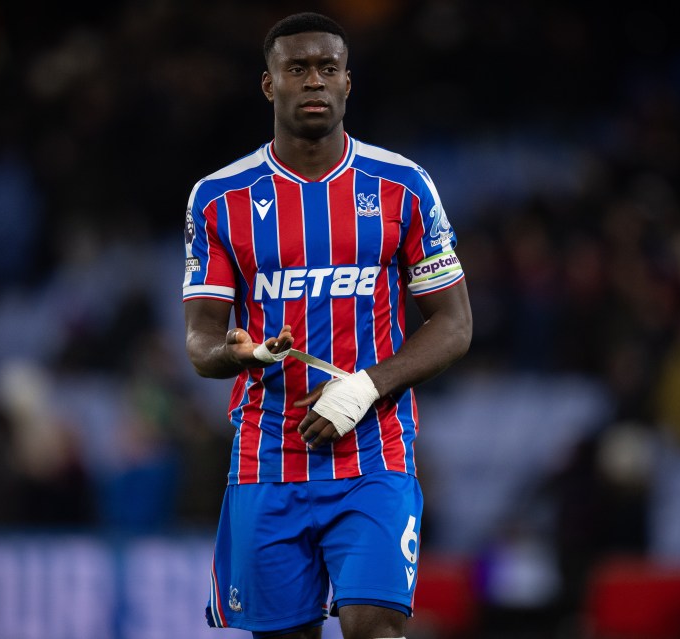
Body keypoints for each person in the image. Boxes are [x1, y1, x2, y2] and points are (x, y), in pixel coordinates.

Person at [182, 12, 472, 639]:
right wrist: (239, 354)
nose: (314, 80)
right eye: (297, 69)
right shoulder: (219, 199)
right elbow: (201, 342)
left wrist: (366, 387)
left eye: (327, 68)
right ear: (269, 84)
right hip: (266, 459)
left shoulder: (403, 186)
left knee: (375, 627)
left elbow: (454, 324)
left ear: (347, 83)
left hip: (375, 457)